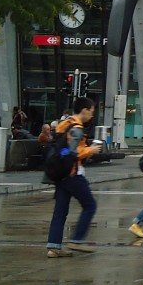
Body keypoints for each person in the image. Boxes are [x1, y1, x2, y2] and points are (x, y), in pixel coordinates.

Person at [45, 96, 103, 258]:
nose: (92, 115)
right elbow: (71, 153)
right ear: (84, 110)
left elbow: (57, 147)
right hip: (72, 173)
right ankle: (77, 239)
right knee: (90, 205)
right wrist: (90, 150)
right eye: (91, 112)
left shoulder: (63, 124)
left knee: (60, 211)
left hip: (60, 173)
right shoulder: (77, 128)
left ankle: (54, 246)